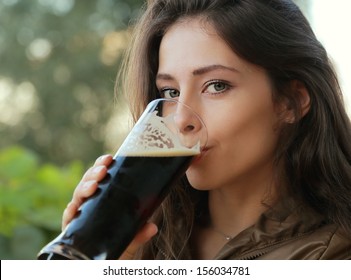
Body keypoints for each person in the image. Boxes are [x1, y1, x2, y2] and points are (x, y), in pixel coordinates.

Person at [62, 0, 351, 259]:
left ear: (291, 102)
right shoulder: (146, 238)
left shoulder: (332, 254)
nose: (180, 120)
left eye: (216, 86)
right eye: (171, 92)